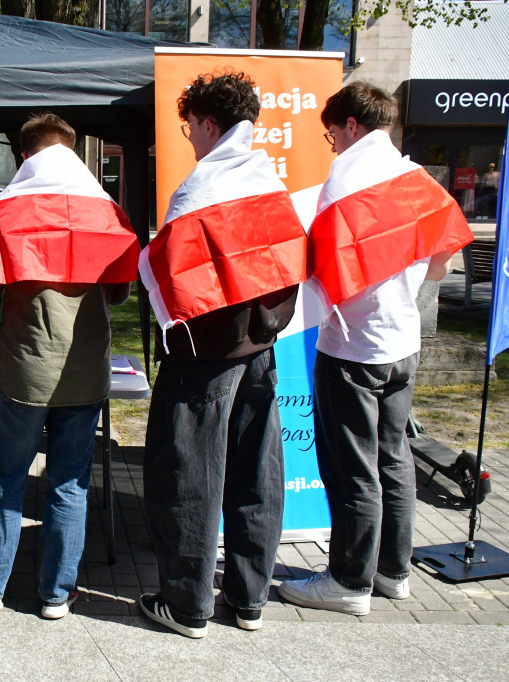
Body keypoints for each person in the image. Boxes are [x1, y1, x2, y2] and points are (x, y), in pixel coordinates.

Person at [278, 82, 465, 616]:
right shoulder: (415, 178)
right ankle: (392, 573)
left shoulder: (347, 178)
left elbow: (323, 269)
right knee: (394, 459)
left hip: (354, 347)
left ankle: (348, 581)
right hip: (403, 343)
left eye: (331, 132)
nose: (331, 143)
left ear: (351, 126)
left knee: (351, 467)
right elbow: (441, 264)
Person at [0, 113, 135, 620]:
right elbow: (120, 291)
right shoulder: (107, 209)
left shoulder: (3, 211)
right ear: (73, 150)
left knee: (4, 479)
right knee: (69, 482)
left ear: (23, 154)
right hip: (85, 374)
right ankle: (58, 593)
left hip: (19, 369)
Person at [140, 72, 299, 639]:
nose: (189, 139)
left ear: (209, 124)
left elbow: (167, 276)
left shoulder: (201, 189)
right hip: (263, 347)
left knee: (189, 474)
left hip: (205, 354)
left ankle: (187, 605)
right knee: (258, 470)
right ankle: (249, 598)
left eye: (190, 128)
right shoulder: (267, 183)